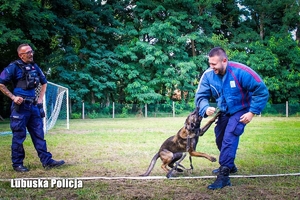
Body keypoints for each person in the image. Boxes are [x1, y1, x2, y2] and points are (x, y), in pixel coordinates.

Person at [195, 47, 269, 189]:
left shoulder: (241, 72)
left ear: (224, 60)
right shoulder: (208, 75)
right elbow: (200, 96)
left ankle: (224, 176)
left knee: (230, 136)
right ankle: (230, 166)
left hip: (241, 111)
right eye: (210, 64)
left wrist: (252, 112)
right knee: (220, 138)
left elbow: (261, 91)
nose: (211, 67)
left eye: (214, 64)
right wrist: (205, 108)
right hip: (223, 111)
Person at [0, 43, 65, 172]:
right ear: (21, 55)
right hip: (20, 108)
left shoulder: (35, 66)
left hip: (34, 107)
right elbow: (1, 83)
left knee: (39, 135)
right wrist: (13, 97)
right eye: (28, 52)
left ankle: (47, 161)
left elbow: (44, 83)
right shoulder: (13, 67)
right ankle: (17, 164)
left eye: (31, 51)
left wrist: (40, 99)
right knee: (19, 136)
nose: (31, 54)